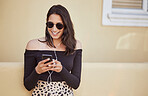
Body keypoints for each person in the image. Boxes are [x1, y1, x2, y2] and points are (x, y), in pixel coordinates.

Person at [24, 4, 82, 96]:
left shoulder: (75, 45)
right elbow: (28, 85)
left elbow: (75, 84)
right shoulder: (32, 45)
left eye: (59, 26)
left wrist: (61, 70)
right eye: (50, 24)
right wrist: (37, 71)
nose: (54, 29)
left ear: (66, 26)